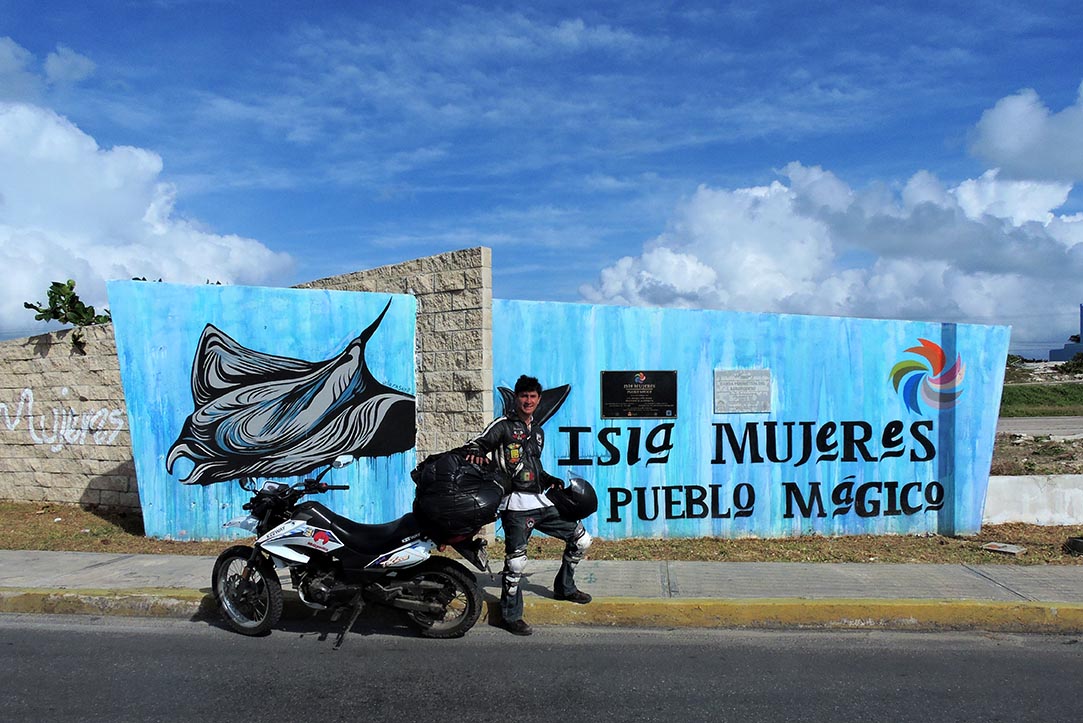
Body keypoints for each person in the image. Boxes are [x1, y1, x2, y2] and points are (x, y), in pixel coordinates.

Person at [457, 374, 592, 636]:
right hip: (515, 505)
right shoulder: (503, 426)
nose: (528, 401)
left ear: (538, 399)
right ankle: (510, 615)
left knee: (581, 540)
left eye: (532, 396)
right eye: (523, 396)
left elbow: (535, 467)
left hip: (540, 500)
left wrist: (550, 479)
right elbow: (478, 443)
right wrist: (475, 453)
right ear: (516, 398)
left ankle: (565, 587)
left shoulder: (538, 432)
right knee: (517, 563)